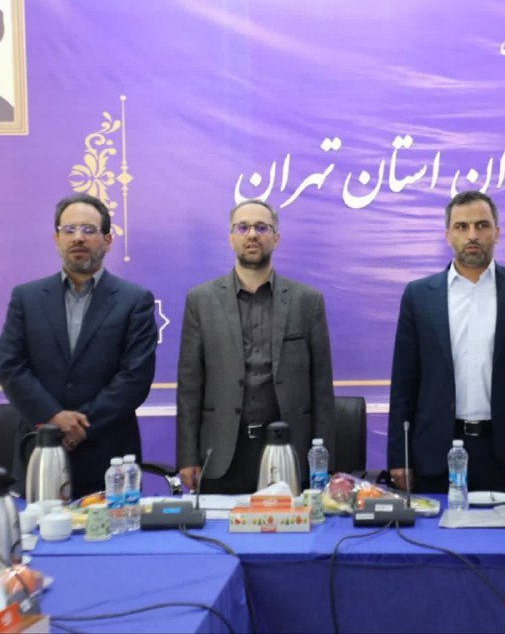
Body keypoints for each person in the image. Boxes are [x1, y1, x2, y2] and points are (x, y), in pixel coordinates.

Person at [387, 190, 505, 494]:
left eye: (482, 225)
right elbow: (404, 383)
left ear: (497, 232)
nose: (472, 235)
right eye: (461, 226)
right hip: (436, 453)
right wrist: (400, 457)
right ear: (447, 235)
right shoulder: (419, 296)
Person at [0, 193, 158, 498]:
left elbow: (135, 377)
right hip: (39, 450)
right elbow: (11, 366)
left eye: (88, 230)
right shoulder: (26, 298)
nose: (78, 238)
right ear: (56, 238)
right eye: (69, 230)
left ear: (108, 240)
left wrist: (82, 425)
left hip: (108, 457)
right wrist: (54, 418)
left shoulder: (134, 300)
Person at [177, 199, 335, 494]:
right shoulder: (201, 301)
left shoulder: (307, 301)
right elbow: (189, 387)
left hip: (290, 451)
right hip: (223, 453)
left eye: (262, 228)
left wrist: (323, 460)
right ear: (231, 237)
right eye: (243, 227)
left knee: (291, 525)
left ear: (276, 238)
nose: (252, 234)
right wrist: (187, 457)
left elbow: (322, 389)